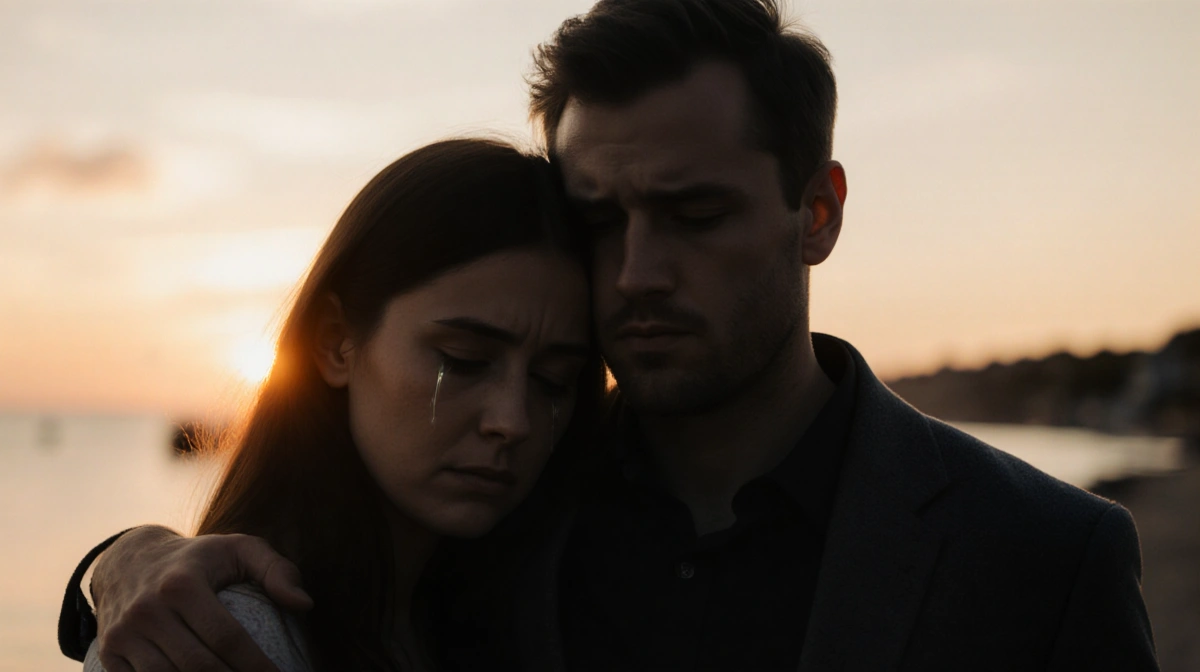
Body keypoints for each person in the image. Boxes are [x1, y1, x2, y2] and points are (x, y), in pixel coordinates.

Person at [61, 1, 1159, 670]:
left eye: (694, 215)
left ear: (816, 211)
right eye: (599, 220)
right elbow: (320, 578)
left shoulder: (1042, 556)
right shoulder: (497, 502)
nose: (636, 272)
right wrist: (123, 563)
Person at [65, 137, 606, 671]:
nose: (513, 421)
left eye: (553, 381)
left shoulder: (491, 622)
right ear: (333, 342)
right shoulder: (223, 637)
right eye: (461, 361)